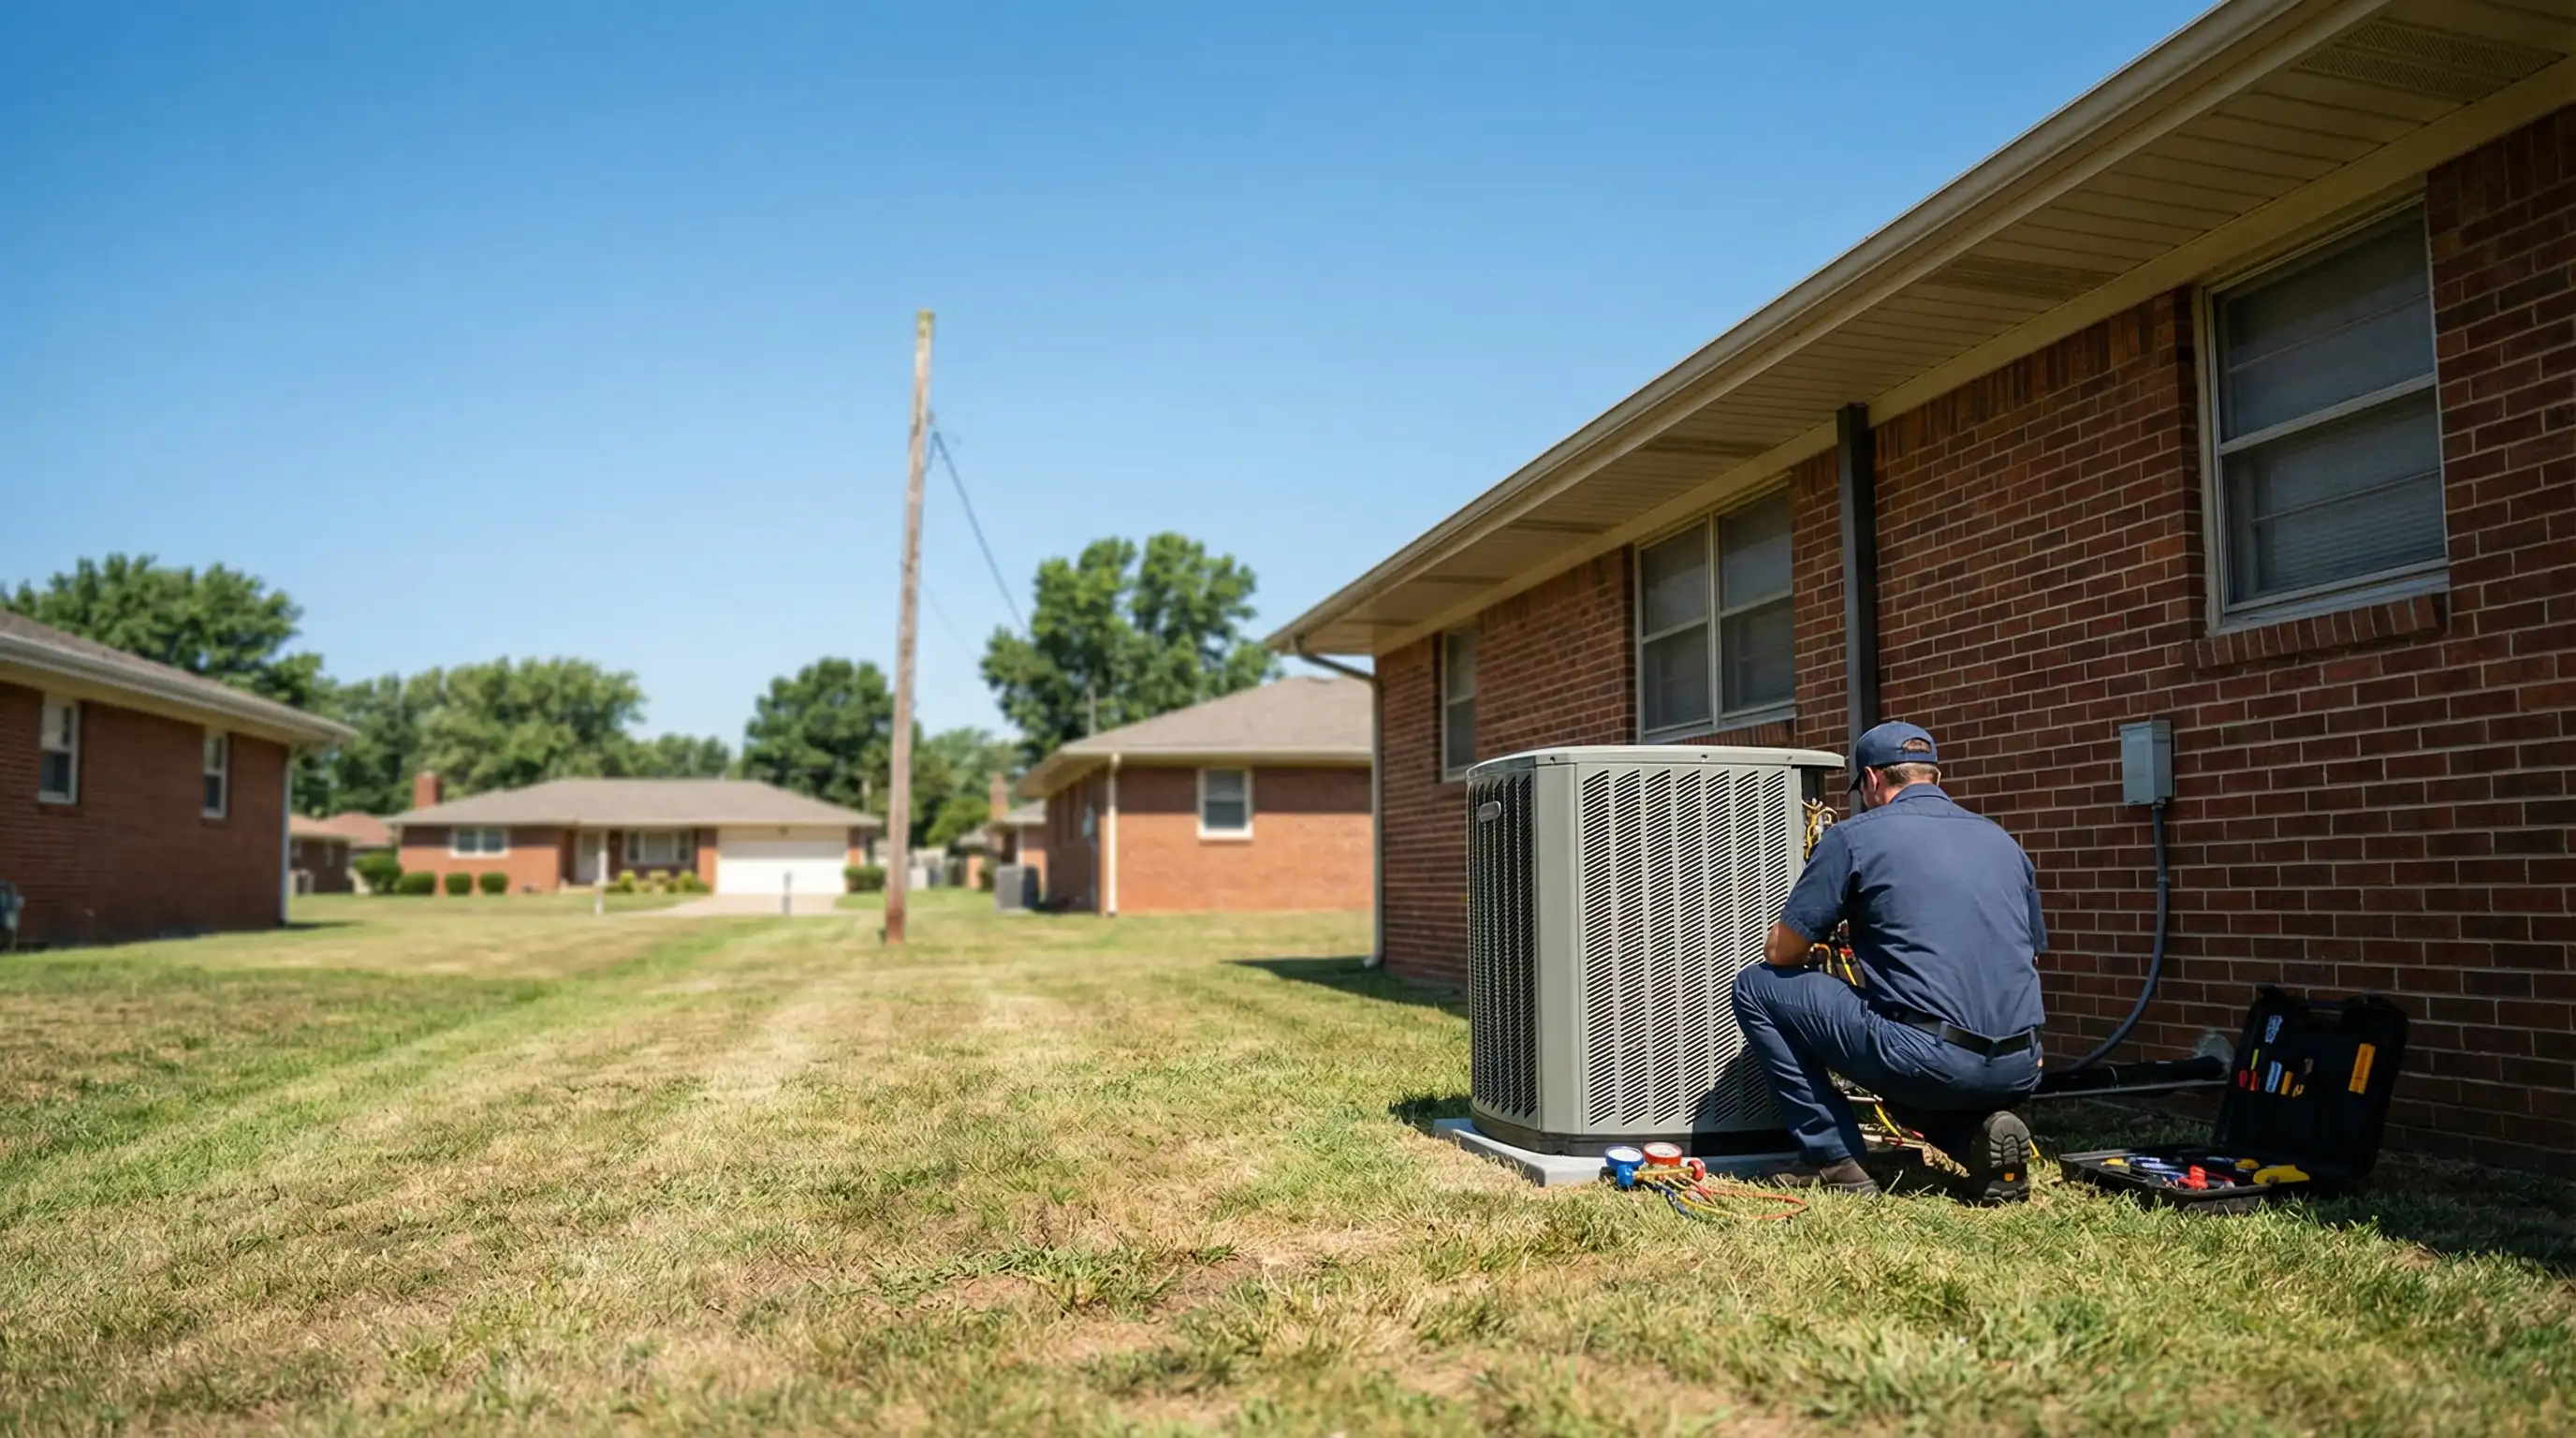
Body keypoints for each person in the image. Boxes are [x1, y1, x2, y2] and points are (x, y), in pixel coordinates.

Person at [1731, 721, 2046, 1201]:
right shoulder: (2003, 841)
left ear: (1874, 780)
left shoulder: (1855, 838)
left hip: (1927, 1057)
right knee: (1911, 1056)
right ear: (1932, 777)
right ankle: (1979, 1140)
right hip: (2021, 1063)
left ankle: (1831, 1158)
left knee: (1759, 985)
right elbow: (2030, 951)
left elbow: (1783, 952)